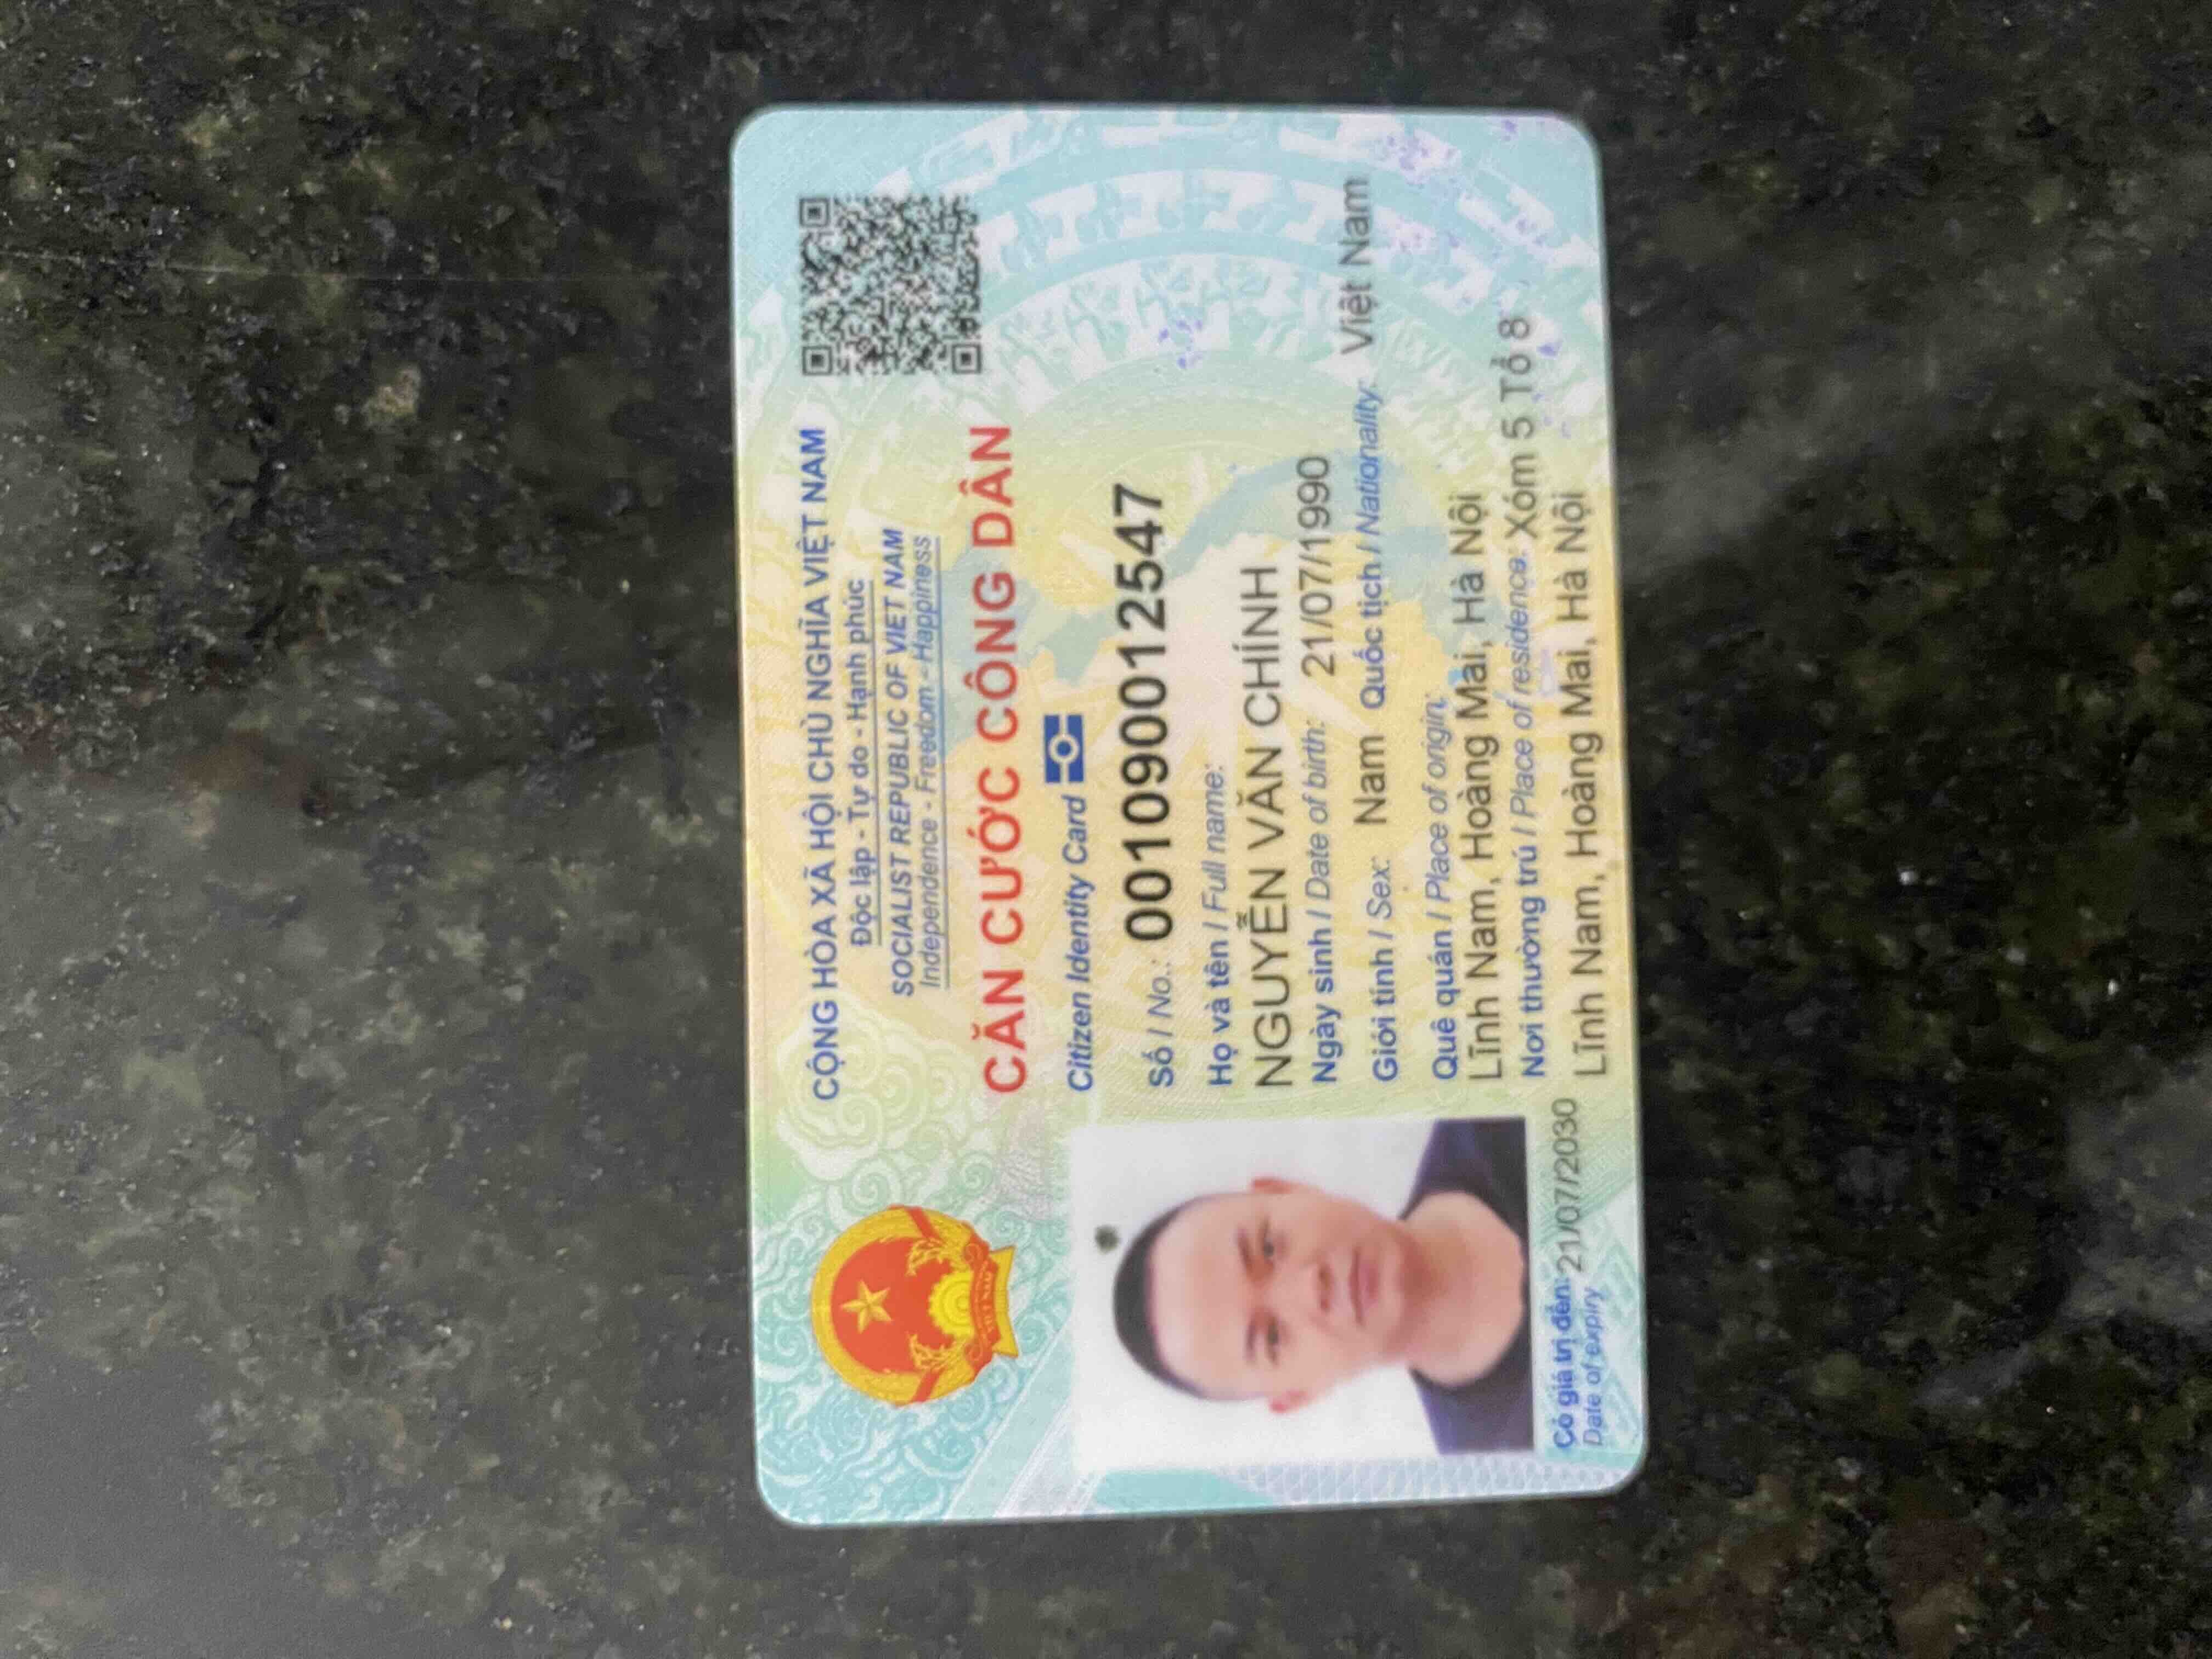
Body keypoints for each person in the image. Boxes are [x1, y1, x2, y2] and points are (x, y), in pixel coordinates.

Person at [1112, 1118, 1531, 1453]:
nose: (1311, 1287)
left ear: (1287, 1190)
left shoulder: (1501, 1095)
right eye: (1273, 1338)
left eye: (1268, 1247)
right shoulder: (1508, 1469)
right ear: (1298, 1394)